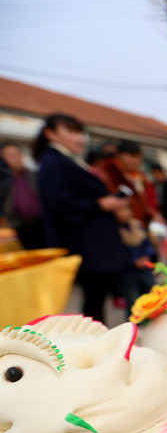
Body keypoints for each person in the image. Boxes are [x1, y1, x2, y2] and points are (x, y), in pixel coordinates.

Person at [34, 113, 131, 324]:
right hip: (85, 244)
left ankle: (96, 339)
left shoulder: (68, 160)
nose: (79, 138)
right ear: (50, 134)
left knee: (98, 296)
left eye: (80, 132)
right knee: (94, 297)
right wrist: (101, 204)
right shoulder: (53, 163)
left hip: (94, 242)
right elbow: (62, 203)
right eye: (71, 131)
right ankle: (94, 343)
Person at [94, 139, 159, 226]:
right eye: (133, 156)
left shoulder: (139, 176)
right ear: (119, 155)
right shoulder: (107, 172)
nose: (137, 161)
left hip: (137, 225)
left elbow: (143, 201)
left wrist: (153, 214)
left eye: (139, 157)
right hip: (116, 225)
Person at [1, 142, 46, 249]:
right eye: (10, 155)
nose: (15, 158)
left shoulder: (34, 174)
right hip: (18, 226)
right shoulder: (3, 180)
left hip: (41, 222)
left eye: (17, 154)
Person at [114, 204, 156, 314]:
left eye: (126, 209)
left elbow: (147, 244)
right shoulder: (113, 230)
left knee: (151, 295)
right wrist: (133, 261)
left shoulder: (137, 226)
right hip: (127, 272)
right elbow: (116, 252)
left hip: (144, 269)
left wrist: (146, 256)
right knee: (133, 300)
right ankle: (136, 324)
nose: (124, 213)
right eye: (120, 210)